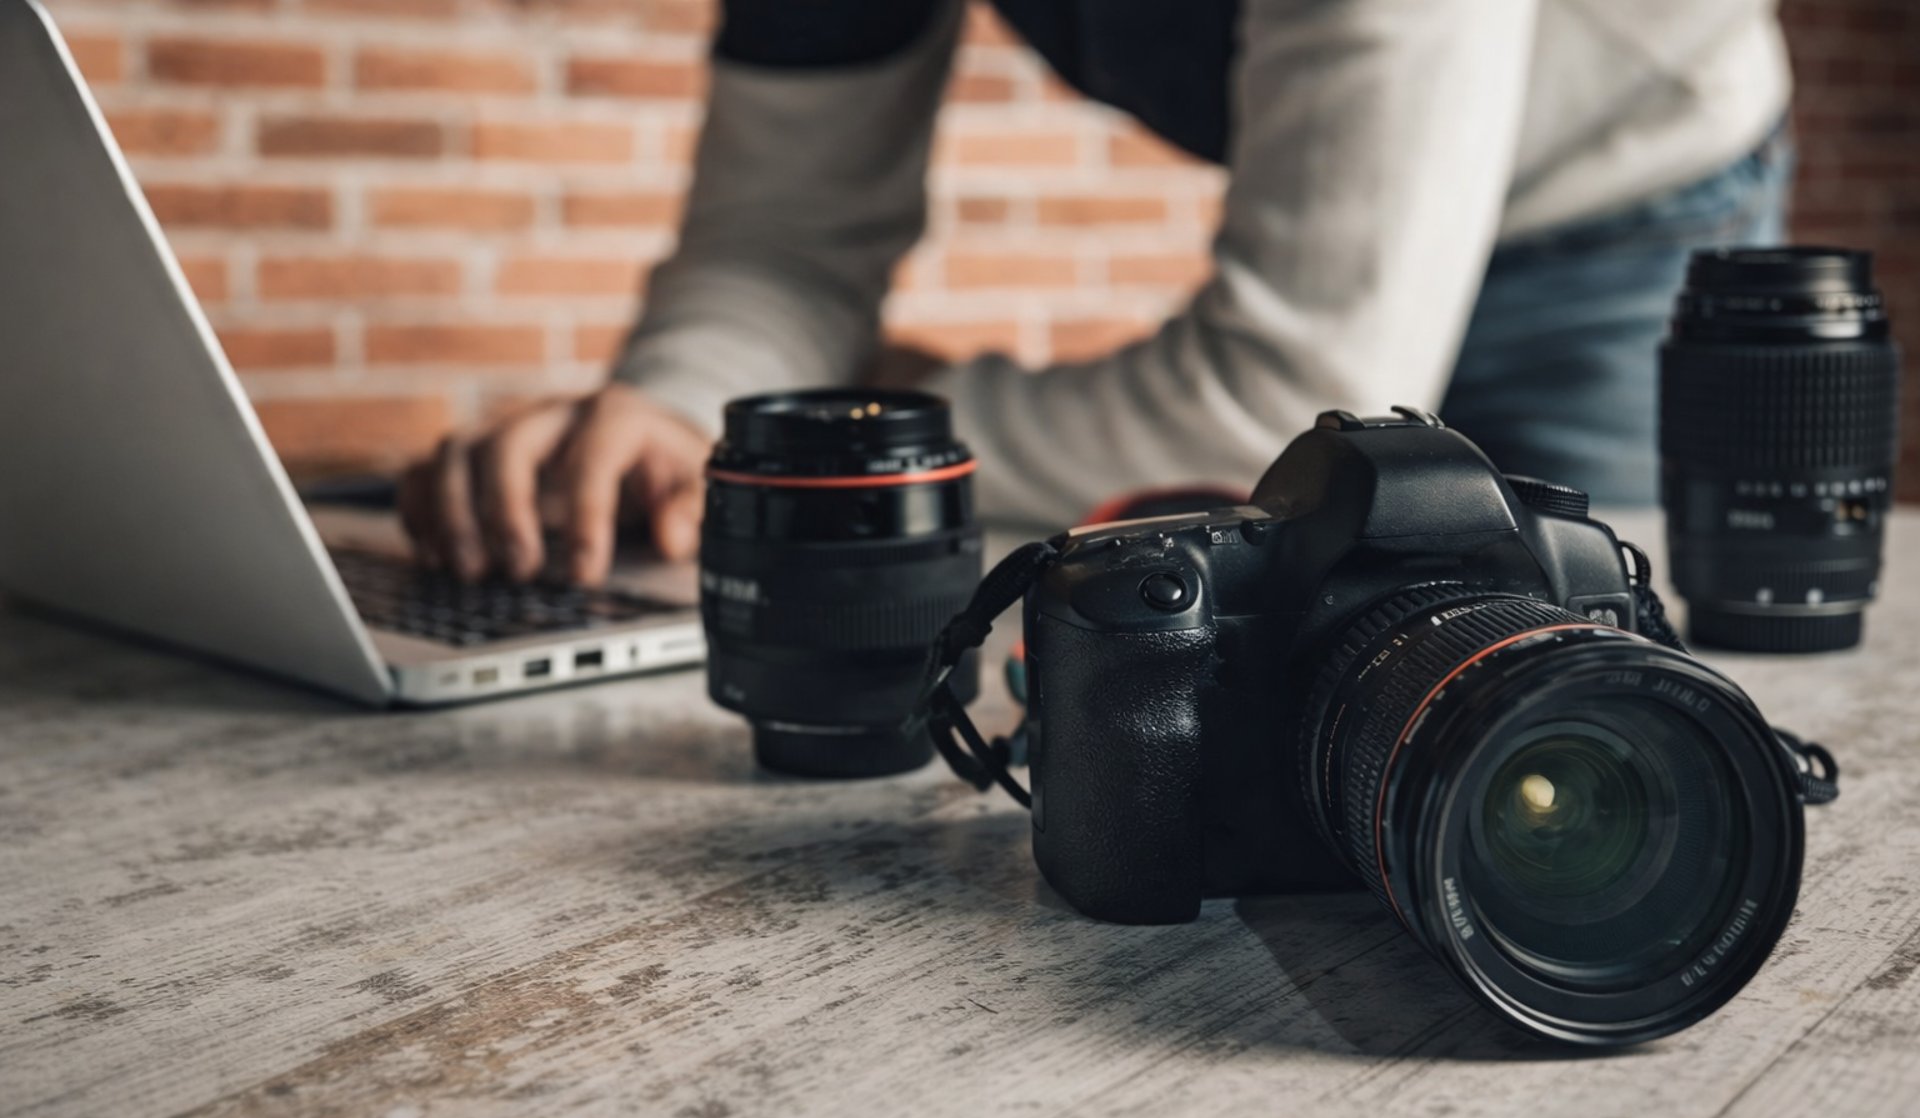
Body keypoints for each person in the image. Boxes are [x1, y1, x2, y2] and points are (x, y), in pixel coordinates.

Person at [401, 0, 1793, 585]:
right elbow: (780, 250)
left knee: (1581, 714)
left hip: (1618, 210)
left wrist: (820, 446)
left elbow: (1270, 409)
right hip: (1368, 278)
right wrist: (673, 414)